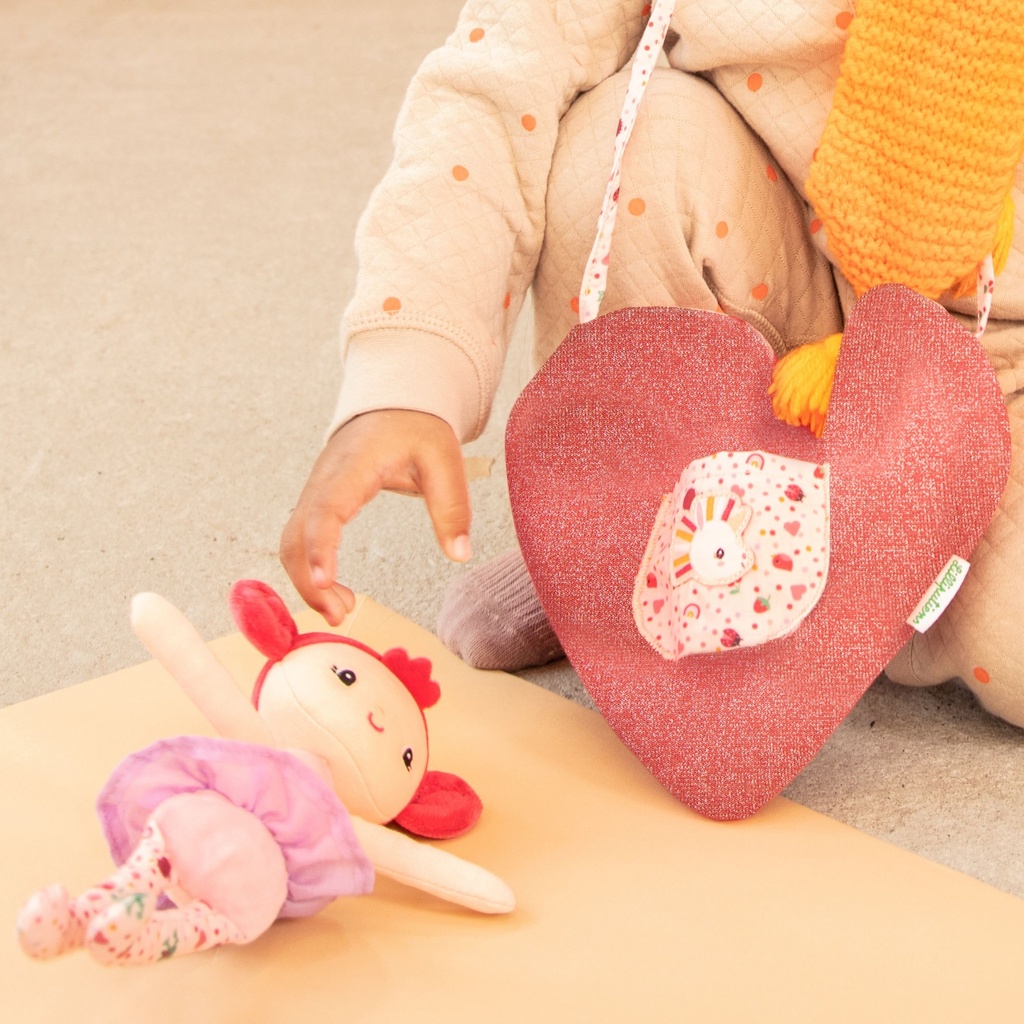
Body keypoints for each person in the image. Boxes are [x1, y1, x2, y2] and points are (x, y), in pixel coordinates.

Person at [280, 0, 1024, 726]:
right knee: (630, 144)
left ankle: (822, 581)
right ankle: (638, 538)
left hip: (1000, 359)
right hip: (791, 298)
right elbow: (493, 84)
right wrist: (404, 380)